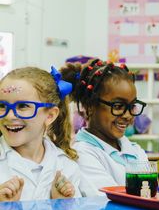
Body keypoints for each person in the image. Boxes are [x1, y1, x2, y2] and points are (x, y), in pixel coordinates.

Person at [60, 59, 148, 196]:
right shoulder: (82, 154)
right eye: (118, 106)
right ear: (90, 107)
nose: (128, 115)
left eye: (132, 107)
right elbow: (111, 204)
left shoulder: (135, 151)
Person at [0, 67, 81, 201]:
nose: (9, 115)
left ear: (50, 115)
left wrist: (61, 207)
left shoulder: (66, 167)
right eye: (2, 106)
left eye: (23, 106)